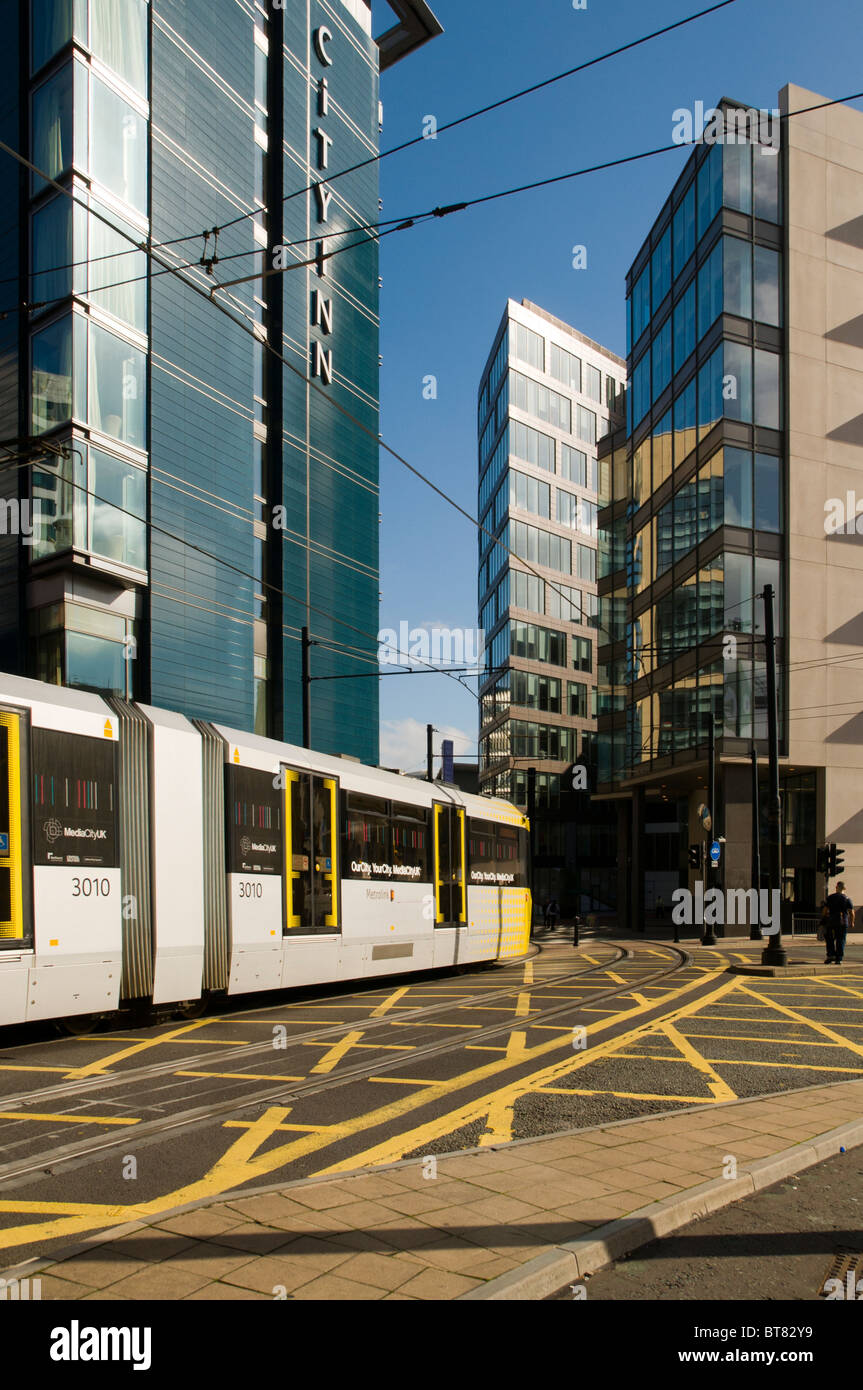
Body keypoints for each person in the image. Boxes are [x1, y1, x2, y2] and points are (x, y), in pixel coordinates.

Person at [824, 880, 854, 964]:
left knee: (830, 939)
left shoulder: (830, 897)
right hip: (842, 922)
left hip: (831, 921)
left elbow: (825, 910)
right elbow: (852, 912)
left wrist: (824, 918)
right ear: (844, 888)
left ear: (836, 887)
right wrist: (852, 922)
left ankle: (830, 955)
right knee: (840, 940)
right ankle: (839, 958)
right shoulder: (847, 899)